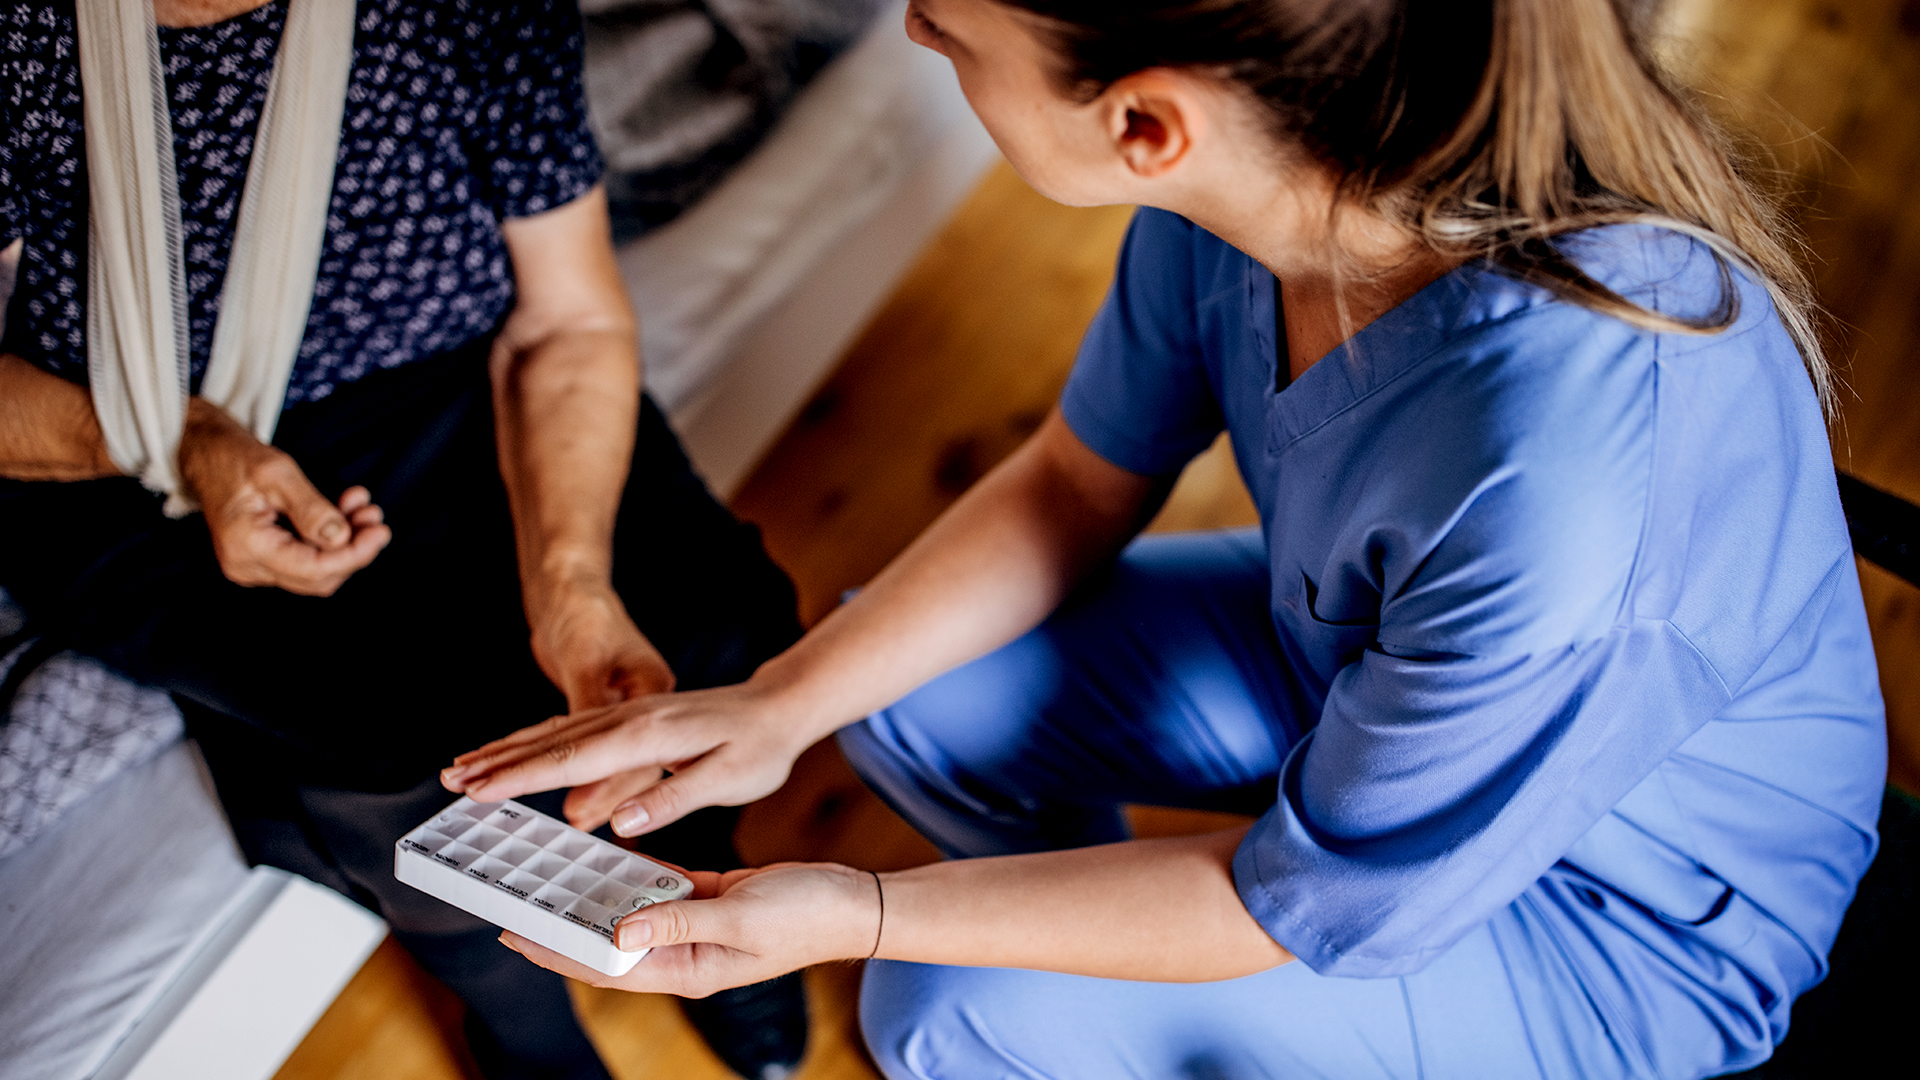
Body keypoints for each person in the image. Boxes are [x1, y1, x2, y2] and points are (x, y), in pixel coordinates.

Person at [443, 0, 1887, 1077]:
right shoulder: (1256, 191)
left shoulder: (1557, 480)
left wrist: (874, 915)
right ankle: (1125, 995)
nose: (909, 25)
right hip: (1375, 698)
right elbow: (1075, 484)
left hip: (1627, 928)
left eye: (948, 34)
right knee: (899, 705)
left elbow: (1287, 907)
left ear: (1143, 120)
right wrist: (779, 705)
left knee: (942, 1013)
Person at [0, 2, 808, 1078]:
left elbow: (570, 317)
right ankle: (528, 1036)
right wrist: (185, 444)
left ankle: (704, 894)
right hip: (130, 449)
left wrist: (568, 583)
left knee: (699, 641)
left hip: (459, 387)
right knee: (403, 775)